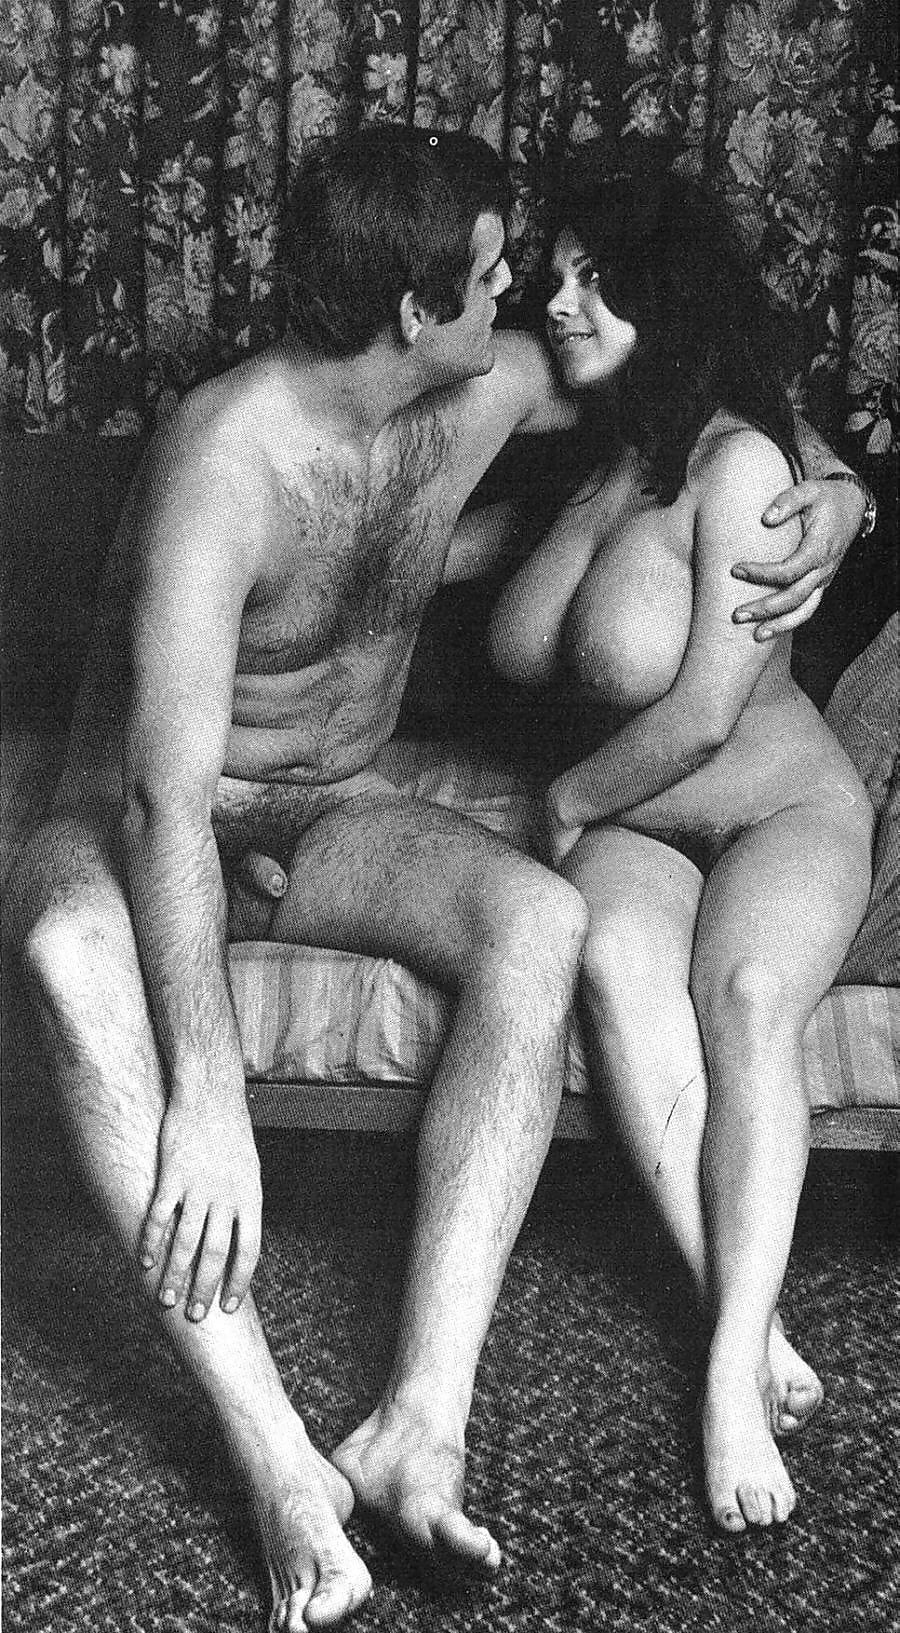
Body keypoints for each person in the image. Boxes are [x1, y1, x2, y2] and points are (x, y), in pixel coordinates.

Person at [5, 125, 866, 1630]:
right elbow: (159, 798)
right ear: (414, 309)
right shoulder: (224, 456)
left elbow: (704, 373)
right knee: (72, 953)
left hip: (333, 802)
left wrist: (840, 491)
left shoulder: (483, 385)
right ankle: (277, 1460)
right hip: (154, 808)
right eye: (491, 274)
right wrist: (211, 1095)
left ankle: (421, 1423)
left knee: (540, 914)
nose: (519, 296)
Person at [486, 173, 874, 1534]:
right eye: (555, 275)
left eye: (596, 278)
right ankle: (747, 1322)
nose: (559, 301)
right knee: (611, 965)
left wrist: (562, 804)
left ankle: (723, 1384)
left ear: (673, 299)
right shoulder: (587, 455)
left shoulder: (745, 465)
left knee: (749, 999)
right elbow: (447, 552)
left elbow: (706, 710)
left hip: (777, 808)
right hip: (638, 824)